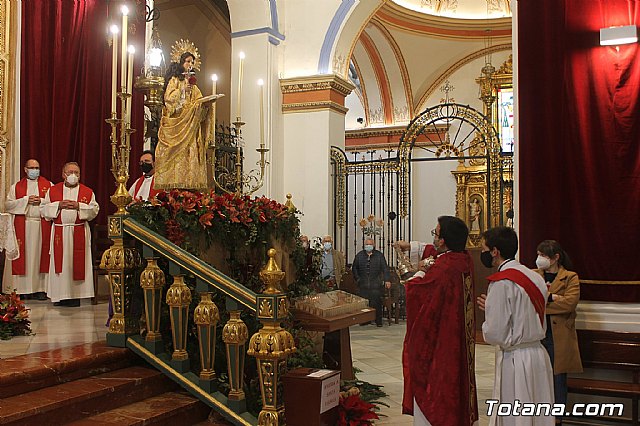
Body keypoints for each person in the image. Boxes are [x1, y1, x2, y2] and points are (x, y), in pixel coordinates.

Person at [402, 216, 478, 426]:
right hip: (458, 335)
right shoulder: (464, 259)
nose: (434, 238)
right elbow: (434, 253)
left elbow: (415, 293)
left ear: (443, 240)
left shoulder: (443, 268)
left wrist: (418, 272)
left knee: (436, 383)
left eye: (436, 233)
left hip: (441, 340)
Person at [477, 226, 554, 425]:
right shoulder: (534, 276)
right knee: (537, 414)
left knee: (516, 414)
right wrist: (494, 309)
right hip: (538, 354)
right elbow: (525, 313)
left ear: (495, 251)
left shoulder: (502, 282)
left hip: (516, 359)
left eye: (484, 249)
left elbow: (496, 334)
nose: (483, 254)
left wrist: (491, 315)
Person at [535, 240, 582, 425]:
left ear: (556, 257)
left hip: (558, 337)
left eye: (544, 255)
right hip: (538, 333)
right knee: (538, 377)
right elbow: (530, 301)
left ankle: (557, 419)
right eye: (538, 254)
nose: (539, 259)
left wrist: (545, 300)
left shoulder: (570, 277)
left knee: (557, 379)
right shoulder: (533, 274)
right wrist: (553, 298)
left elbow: (569, 304)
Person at [41, 162, 99, 307]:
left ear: (79, 175)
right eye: (70, 172)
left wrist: (79, 206)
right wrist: (58, 205)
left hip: (79, 231)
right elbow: (44, 210)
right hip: (60, 232)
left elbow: (94, 210)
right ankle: (60, 296)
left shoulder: (87, 191)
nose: (73, 175)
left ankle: (75, 295)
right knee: (61, 265)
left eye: (76, 173)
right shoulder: (53, 191)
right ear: (63, 174)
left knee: (76, 264)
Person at [154, 48, 211, 191]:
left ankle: (189, 184)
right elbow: (169, 99)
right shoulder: (175, 81)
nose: (190, 65)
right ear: (181, 63)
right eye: (187, 61)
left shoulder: (195, 87)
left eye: (192, 62)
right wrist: (182, 90)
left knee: (190, 151)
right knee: (175, 158)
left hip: (190, 127)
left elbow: (198, 102)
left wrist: (206, 106)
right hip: (177, 125)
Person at [2, 159, 53, 300]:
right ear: (25, 169)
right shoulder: (16, 187)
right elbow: (8, 205)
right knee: (23, 257)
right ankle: (21, 289)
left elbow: (54, 204)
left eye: (37, 167)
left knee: (39, 257)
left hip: (41, 226)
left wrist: (41, 201)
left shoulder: (48, 185)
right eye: (31, 168)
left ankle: (40, 289)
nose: (34, 170)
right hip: (22, 225)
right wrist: (26, 200)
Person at [351, 238, 390, 327]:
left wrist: (387, 279)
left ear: (374, 245)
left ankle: (378, 321)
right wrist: (358, 279)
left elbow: (385, 268)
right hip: (363, 284)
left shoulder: (379, 255)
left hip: (375, 284)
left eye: (370, 244)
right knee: (364, 303)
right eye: (367, 244)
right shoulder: (360, 255)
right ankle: (365, 320)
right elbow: (354, 268)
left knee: (377, 302)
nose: (368, 246)